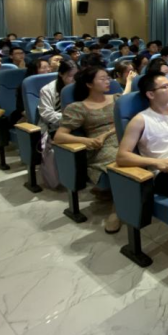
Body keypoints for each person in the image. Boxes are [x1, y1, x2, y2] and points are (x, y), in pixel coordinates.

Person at [53, 66, 123, 233]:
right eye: (102, 79)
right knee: (123, 161)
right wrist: (86, 140)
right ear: (89, 84)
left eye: (108, 78)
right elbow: (59, 136)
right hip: (101, 146)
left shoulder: (117, 99)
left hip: (125, 137)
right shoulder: (78, 107)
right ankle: (118, 209)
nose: (108, 81)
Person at [39, 60, 78, 134]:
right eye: (70, 76)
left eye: (76, 75)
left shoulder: (80, 85)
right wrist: (69, 118)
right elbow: (46, 113)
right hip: (55, 126)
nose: (74, 79)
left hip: (78, 123)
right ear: (60, 74)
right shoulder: (47, 89)